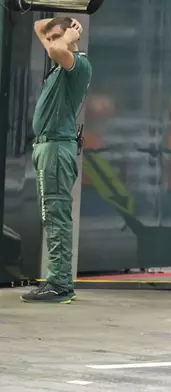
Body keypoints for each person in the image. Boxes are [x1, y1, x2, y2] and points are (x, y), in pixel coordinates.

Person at [21, 17, 92, 304]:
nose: (50, 42)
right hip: (48, 147)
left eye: (57, 37)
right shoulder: (59, 62)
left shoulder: (76, 65)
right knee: (52, 214)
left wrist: (71, 34)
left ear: (73, 37)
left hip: (55, 148)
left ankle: (60, 283)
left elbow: (54, 49)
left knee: (56, 216)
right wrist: (59, 28)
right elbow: (38, 25)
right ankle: (57, 280)